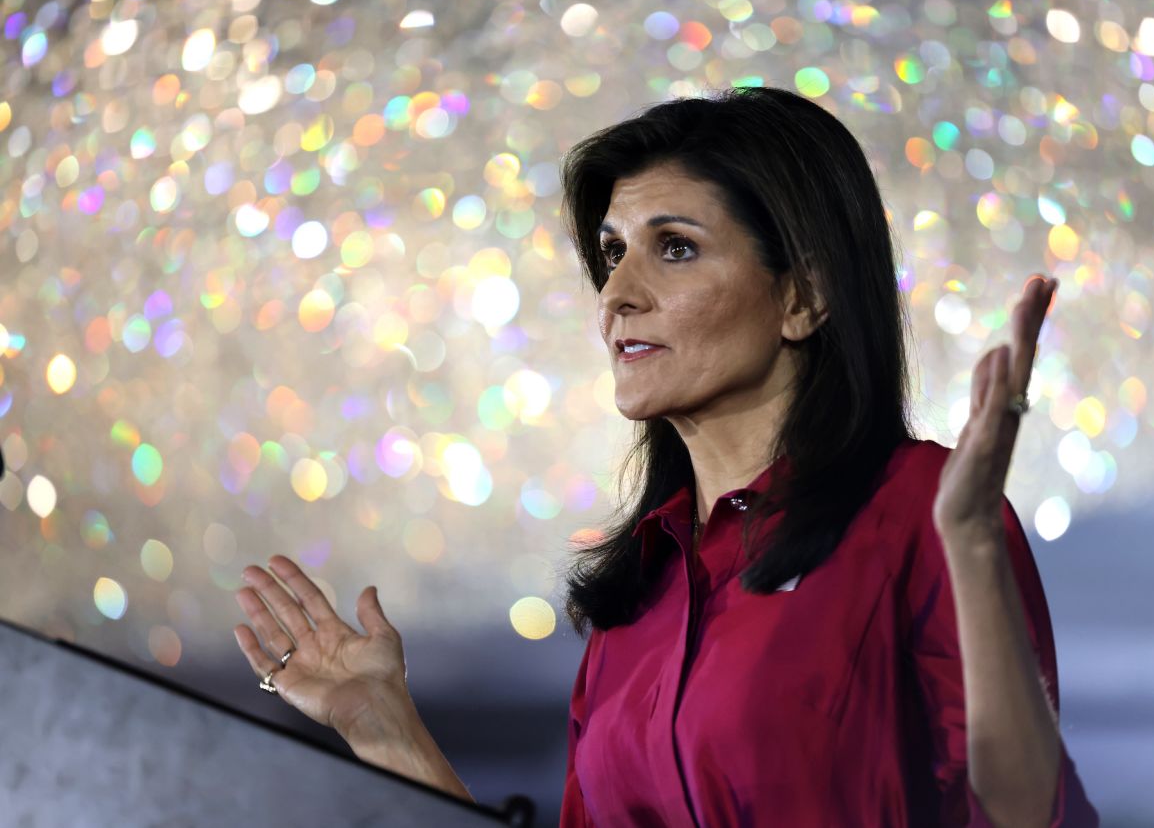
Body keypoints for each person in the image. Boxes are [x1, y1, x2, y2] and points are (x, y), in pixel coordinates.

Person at [233, 86, 1099, 826]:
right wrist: (385, 728)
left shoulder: (920, 509)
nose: (617, 294)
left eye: (674, 248)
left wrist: (973, 544)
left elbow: (1029, 811)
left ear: (804, 295)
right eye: (612, 254)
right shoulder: (635, 599)